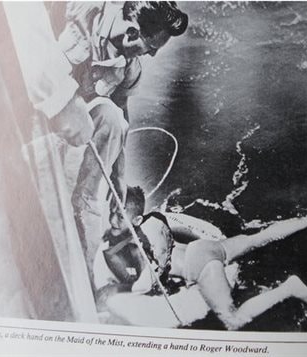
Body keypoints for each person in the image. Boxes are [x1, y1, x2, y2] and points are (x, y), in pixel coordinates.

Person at [46, 2, 189, 276]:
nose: (154, 55)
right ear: (132, 33)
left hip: (76, 128)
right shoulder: (79, 15)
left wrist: (118, 179)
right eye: (152, 46)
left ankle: (85, 209)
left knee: (113, 116)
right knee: (106, 116)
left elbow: (120, 118)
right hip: (43, 109)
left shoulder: (129, 68)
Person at [95, 187, 307, 330]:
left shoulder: (137, 249)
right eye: (114, 213)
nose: (114, 220)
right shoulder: (153, 221)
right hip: (204, 248)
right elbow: (184, 231)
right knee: (258, 238)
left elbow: (143, 285)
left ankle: (289, 288)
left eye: (120, 215)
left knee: (233, 320)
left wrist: (119, 288)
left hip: (201, 268)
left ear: (136, 220)